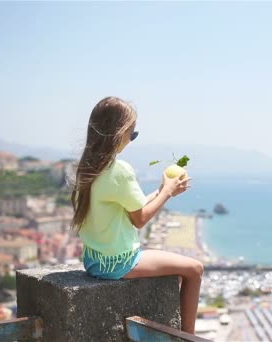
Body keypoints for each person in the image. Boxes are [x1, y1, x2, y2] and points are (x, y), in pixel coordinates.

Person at [69, 96, 202, 334]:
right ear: (118, 133)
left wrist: (162, 191)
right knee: (194, 269)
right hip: (118, 263)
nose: (131, 140)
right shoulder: (119, 170)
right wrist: (168, 193)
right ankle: (187, 337)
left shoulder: (88, 167)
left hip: (94, 261)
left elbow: (133, 209)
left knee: (176, 271)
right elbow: (139, 219)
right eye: (132, 134)